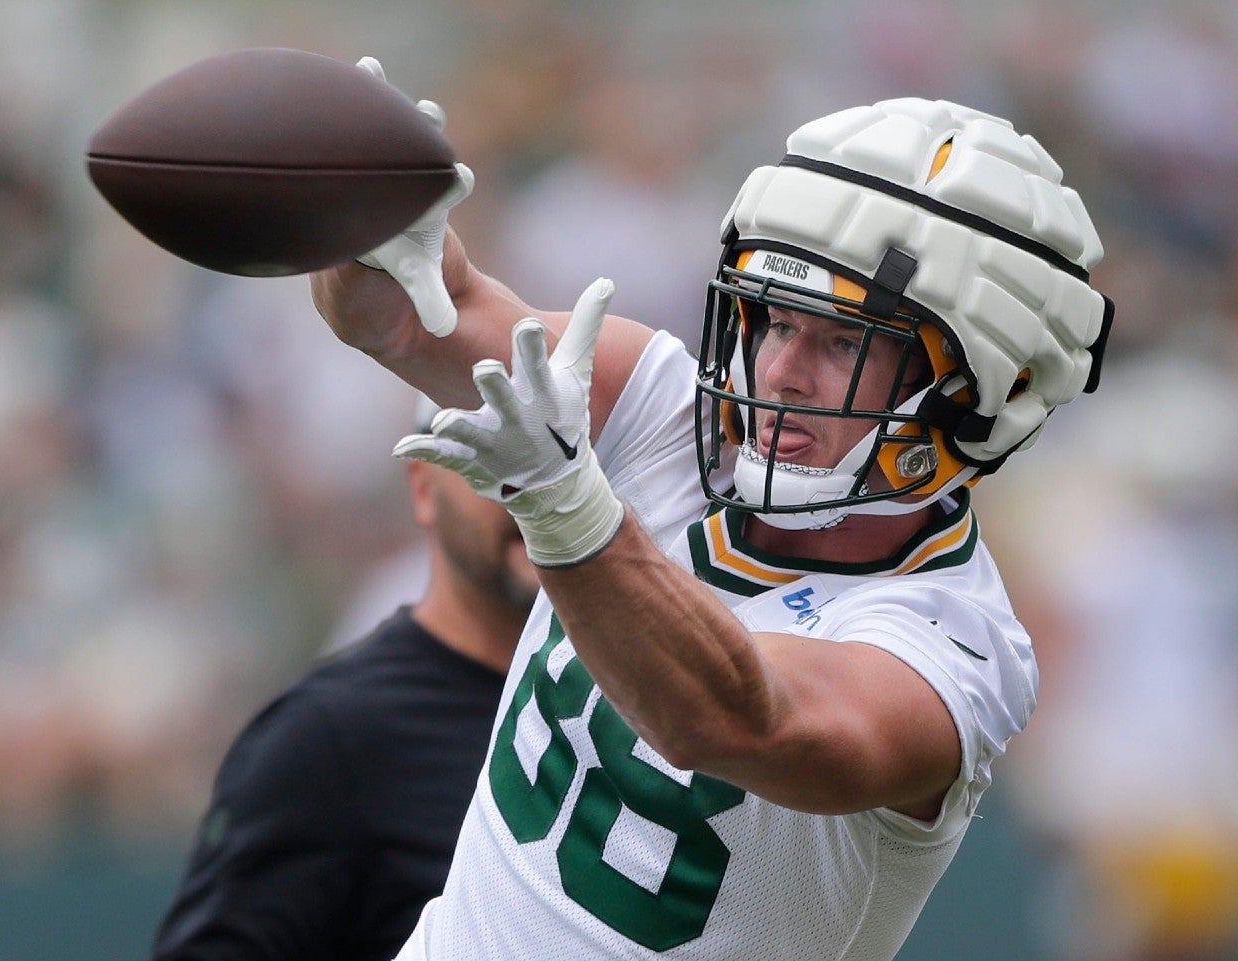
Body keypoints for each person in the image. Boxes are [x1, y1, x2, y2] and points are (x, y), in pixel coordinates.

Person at [312, 63, 1114, 961]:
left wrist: (567, 506)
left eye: (843, 341)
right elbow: (403, 317)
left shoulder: (954, 646)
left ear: (975, 393)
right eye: (776, 319)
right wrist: (355, 222)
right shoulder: (660, 412)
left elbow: (731, 718)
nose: (781, 371)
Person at [150, 395, 539, 961]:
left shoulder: (641, 703)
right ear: (423, 487)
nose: (535, 491)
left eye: (568, 455)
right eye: (494, 460)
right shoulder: (330, 736)